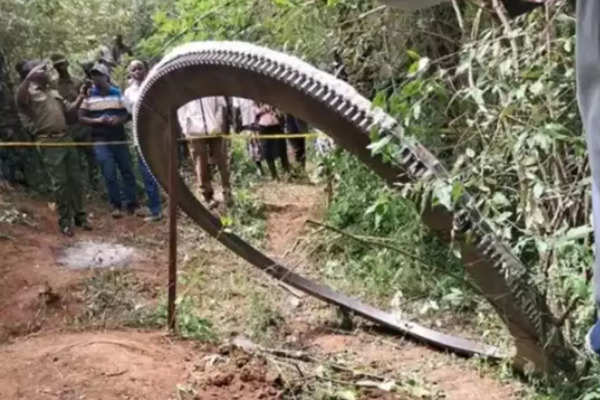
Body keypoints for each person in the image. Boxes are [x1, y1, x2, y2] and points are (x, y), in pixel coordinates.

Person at [15, 61, 91, 236]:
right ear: (32, 74)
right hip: (48, 142)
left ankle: (80, 216)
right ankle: (65, 221)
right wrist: (28, 78)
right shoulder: (26, 94)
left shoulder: (53, 91)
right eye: (43, 69)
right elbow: (19, 101)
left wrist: (81, 96)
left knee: (75, 180)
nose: (48, 72)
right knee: (60, 184)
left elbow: (70, 113)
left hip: (66, 138)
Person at [79, 62, 137, 218]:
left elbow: (129, 114)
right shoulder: (89, 96)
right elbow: (81, 117)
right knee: (109, 172)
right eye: (94, 76)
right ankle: (115, 206)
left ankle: (132, 204)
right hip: (100, 140)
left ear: (106, 77)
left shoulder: (117, 93)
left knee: (127, 170)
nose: (97, 78)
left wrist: (119, 120)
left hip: (119, 138)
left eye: (99, 75)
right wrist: (98, 121)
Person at [51, 53, 98, 190]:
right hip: (66, 127)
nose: (61, 67)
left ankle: (94, 183)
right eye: (57, 65)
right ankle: (80, 186)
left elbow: (87, 100)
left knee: (91, 155)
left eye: (62, 64)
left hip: (82, 125)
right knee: (74, 159)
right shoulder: (54, 85)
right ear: (55, 67)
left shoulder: (77, 82)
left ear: (67, 64)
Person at [123, 60, 162, 221]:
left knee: (162, 170)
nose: (138, 71)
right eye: (134, 69)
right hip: (140, 136)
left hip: (157, 134)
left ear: (146, 70)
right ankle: (155, 210)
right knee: (147, 173)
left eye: (140, 68)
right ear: (130, 73)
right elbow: (130, 112)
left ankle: (171, 205)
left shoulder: (154, 85)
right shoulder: (128, 92)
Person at [177, 97, 233, 208]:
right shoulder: (184, 89)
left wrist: (218, 123)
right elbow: (181, 111)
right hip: (195, 132)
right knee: (200, 164)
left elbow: (221, 104)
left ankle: (227, 191)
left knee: (222, 160)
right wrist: (186, 129)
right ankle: (207, 196)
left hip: (215, 129)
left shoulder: (210, 83)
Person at [253, 102, 290, 180]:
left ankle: (287, 173)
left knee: (282, 149)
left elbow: (281, 111)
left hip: (276, 125)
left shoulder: (273, 99)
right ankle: (274, 176)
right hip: (263, 127)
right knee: (267, 152)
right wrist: (263, 110)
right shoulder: (255, 101)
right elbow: (254, 113)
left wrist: (274, 109)